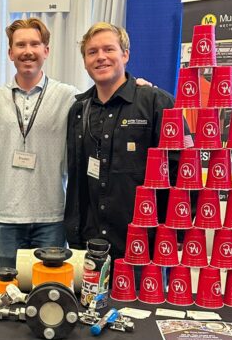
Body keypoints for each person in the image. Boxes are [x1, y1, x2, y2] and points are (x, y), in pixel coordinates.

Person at [64, 22, 189, 262]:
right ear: (85, 61)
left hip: (145, 245)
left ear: (125, 55)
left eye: (109, 49)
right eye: (92, 52)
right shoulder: (79, 110)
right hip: (91, 245)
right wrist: (73, 232)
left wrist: (178, 230)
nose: (100, 57)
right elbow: (77, 177)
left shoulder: (156, 103)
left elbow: (182, 168)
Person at [0, 18, 78, 268]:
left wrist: (137, 86)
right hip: (5, 216)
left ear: (46, 50)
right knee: (9, 286)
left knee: (48, 287)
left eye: (34, 44)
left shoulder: (68, 96)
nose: (27, 51)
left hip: (51, 216)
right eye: (20, 45)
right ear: (10, 53)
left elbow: (103, 102)